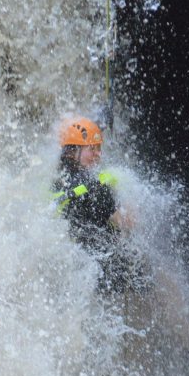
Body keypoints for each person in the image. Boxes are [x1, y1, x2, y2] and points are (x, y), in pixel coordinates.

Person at [52, 116, 147, 293]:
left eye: (99, 148)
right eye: (92, 149)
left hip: (73, 269)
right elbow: (130, 222)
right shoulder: (96, 189)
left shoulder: (57, 180)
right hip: (103, 270)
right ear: (73, 152)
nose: (98, 154)